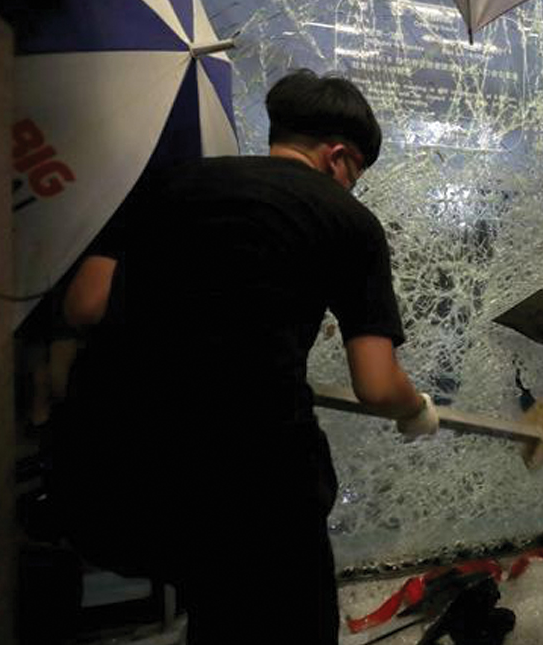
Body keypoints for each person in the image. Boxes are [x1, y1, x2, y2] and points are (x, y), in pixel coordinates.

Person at [53, 69, 438, 645]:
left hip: (113, 469)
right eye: (357, 174)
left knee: (212, 594)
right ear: (339, 157)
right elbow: (377, 385)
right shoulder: (347, 220)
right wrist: (417, 409)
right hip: (250, 481)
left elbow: (84, 306)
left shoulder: (170, 183)